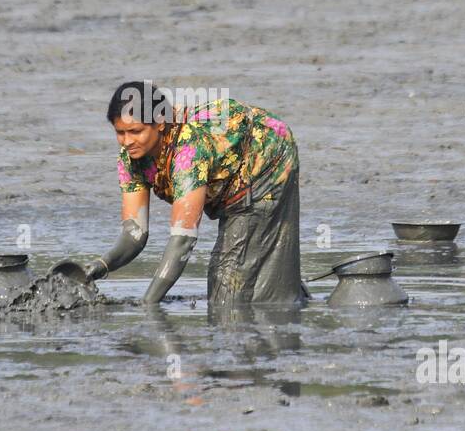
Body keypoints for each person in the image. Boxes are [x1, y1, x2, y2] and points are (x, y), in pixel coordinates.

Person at [84, 81, 306, 308]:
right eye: (120, 132)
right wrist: (103, 264)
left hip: (268, 160)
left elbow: (183, 239)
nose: (127, 141)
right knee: (246, 269)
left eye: (135, 131)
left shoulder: (188, 150)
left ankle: (281, 294)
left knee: (225, 287)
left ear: (160, 123)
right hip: (229, 174)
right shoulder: (129, 158)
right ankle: (283, 290)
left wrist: (148, 304)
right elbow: (135, 234)